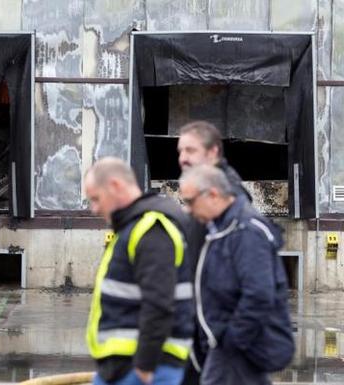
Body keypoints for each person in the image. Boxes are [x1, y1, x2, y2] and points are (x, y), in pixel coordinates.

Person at [178, 165, 294, 385]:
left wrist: (231, 340)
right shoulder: (222, 228)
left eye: (190, 201)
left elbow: (259, 294)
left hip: (239, 350)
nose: (188, 210)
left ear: (212, 194)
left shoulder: (245, 231)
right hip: (227, 346)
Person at [84, 157, 194, 385]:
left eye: (96, 199)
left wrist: (145, 365)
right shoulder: (134, 227)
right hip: (126, 367)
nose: (94, 209)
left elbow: (159, 302)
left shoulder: (151, 230)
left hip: (143, 368)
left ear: (115, 186)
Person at [176, 120, 250, 385]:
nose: (183, 158)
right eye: (180, 151)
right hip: (196, 331)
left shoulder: (229, 198)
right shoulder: (200, 193)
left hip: (217, 336)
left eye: (191, 151)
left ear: (213, 153)